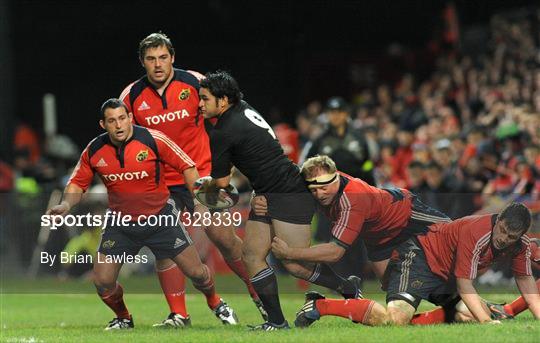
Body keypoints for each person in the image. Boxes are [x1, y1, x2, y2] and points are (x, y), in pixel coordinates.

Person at [46, 99, 237, 329]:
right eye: (112, 121)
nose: (118, 125)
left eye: (122, 118)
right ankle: (124, 318)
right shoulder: (94, 150)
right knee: (103, 281)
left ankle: (216, 302)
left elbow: (187, 166)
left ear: (130, 118)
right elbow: (77, 183)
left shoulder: (153, 139)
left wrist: (199, 202)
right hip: (120, 222)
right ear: (102, 124)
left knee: (197, 272)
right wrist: (66, 205)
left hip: (161, 218)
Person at [198, 71, 362, 331]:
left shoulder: (223, 131)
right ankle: (276, 322)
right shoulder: (242, 107)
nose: (200, 103)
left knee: (294, 264)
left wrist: (204, 187)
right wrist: (257, 191)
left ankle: (346, 286)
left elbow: (219, 184)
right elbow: (259, 158)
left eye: (205, 98)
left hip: (287, 193)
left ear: (223, 100)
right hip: (269, 192)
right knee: (251, 255)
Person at [119, 32, 263, 326]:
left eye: (162, 57)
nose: (158, 64)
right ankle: (179, 315)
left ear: (172, 57)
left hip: (202, 176)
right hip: (160, 184)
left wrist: (236, 159)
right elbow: (125, 142)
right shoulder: (130, 97)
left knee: (223, 236)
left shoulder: (196, 83)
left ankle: (261, 299)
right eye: (150, 59)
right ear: (142, 62)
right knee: (165, 246)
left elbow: (228, 116)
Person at [295, 203, 540, 327]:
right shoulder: (478, 231)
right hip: (420, 258)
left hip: (446, 275)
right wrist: (487, 324)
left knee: (475, 315)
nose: (504, 239)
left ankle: (414, 318)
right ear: (499, 220)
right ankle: (320, 304)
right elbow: (465, 283)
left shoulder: (519, 244)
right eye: (503, 231)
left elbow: (527, 282)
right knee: (393, 321)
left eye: (511, 237)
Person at [267, 155, 450, 280]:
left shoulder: (351, 199)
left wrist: (289, 253)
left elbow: (334, 253)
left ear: (336, 178)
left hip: (405, 213)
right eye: (313, 189)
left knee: (454, 235)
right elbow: (288, 187)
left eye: (324, 188)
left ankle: (456, 295)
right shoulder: (322, 184)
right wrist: (264, 201)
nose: (319, 194)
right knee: (389, 284)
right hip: (377, 233)